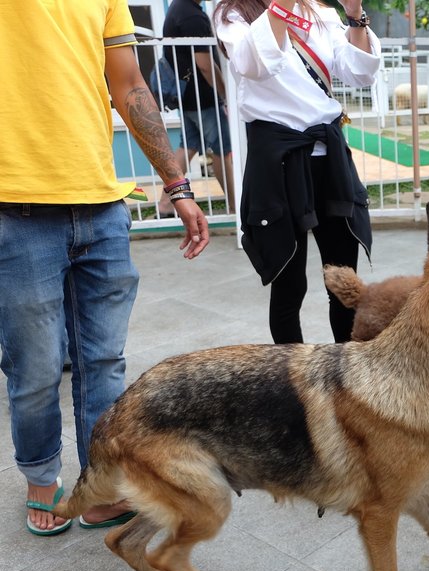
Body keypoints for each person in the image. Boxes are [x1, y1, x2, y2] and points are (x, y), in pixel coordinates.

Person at [0, 1, 210, 535]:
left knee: (104, 361)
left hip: (100, 206)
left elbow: (130, 85)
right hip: (13, 207)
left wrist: (176, 182)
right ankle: (42, 480)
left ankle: (98, 488)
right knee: (36, 367)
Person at [214, 0, 380, 343]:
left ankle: (347, 379)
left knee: (343, 280)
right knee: (290, 284)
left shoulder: (320, 12)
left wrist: (354, 15)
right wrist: (280, 7)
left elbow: (359, 72)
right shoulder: (234, 15)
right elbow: (254, 65)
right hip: (279, 160)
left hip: (328, 157)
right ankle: (291, 387)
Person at [156, 0, 237, 216]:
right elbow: (204, 64)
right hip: (203, 97)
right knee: (222, 149)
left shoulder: (178, 8)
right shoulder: (191, 16)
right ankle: (235, 205)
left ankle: (165, 204)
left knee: (189, 145)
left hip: (187, 96)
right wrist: (224, 93)